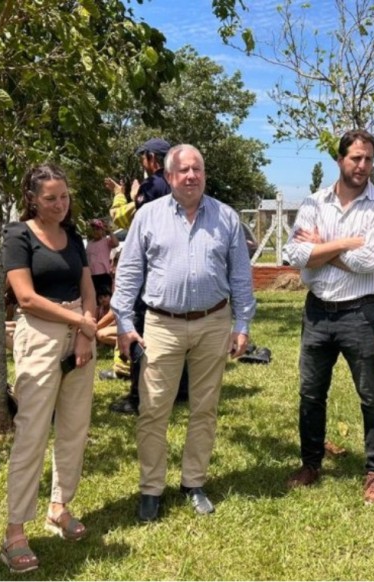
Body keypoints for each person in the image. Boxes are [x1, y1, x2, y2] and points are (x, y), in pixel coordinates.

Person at [112, 144, 255, 522]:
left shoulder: (226, 218)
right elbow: (128, 274)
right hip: (162, 324)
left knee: (204, 409)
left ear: (204, 174)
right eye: (184, 170)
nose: (192, 176)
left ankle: (193, 482)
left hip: (213, 322)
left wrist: (242, 324)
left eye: (198, 169)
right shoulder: (147, 217)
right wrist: (124, 324)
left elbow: (240, 275)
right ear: (170, 176)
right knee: (153, 409)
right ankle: (151, 489)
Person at [283, 129, 374, 504]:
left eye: (368, 158)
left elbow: (370, 262)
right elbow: (295, 254)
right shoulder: (315, 202)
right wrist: (345, 244)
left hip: (361, 312)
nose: (362, 165)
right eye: (355, 158)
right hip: (318, 311)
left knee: (371, 394)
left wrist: (320, 247)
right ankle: (311, 463)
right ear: (340, 159)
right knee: (311, 393)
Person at [0, 163, 98, 573]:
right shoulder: (17, 235)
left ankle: (59, 507)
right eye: (51, 198)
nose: (60, 204)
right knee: (32, 433)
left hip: (80, 332)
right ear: (32, 199)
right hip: (40, 335)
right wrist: (79, 323)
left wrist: (85, 333)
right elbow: (25, 297)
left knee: (74, 428)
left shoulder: (73, 236)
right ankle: (15, 533)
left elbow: (89, 291)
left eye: (65, 196)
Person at [107, 137, 189, 415]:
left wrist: (123, 196)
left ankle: (137, 395)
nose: (143, 163)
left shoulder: (151, 186)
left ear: (153, 158)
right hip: (177, 270)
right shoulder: (181, 186)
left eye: (143, 158)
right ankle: (181, 389)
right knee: (181, 327)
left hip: (149, 270)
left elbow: (128, 221)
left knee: (139, 331)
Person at [86, 218, 118, 297]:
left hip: (104, 276)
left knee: (106, 298)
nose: (95, 231)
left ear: (102, 231)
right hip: (92, 276)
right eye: (93, 229)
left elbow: (116, 243)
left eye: (98, 229)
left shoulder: (106, 241)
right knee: (95, 298)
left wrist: (109, 231)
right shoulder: (89, 244)